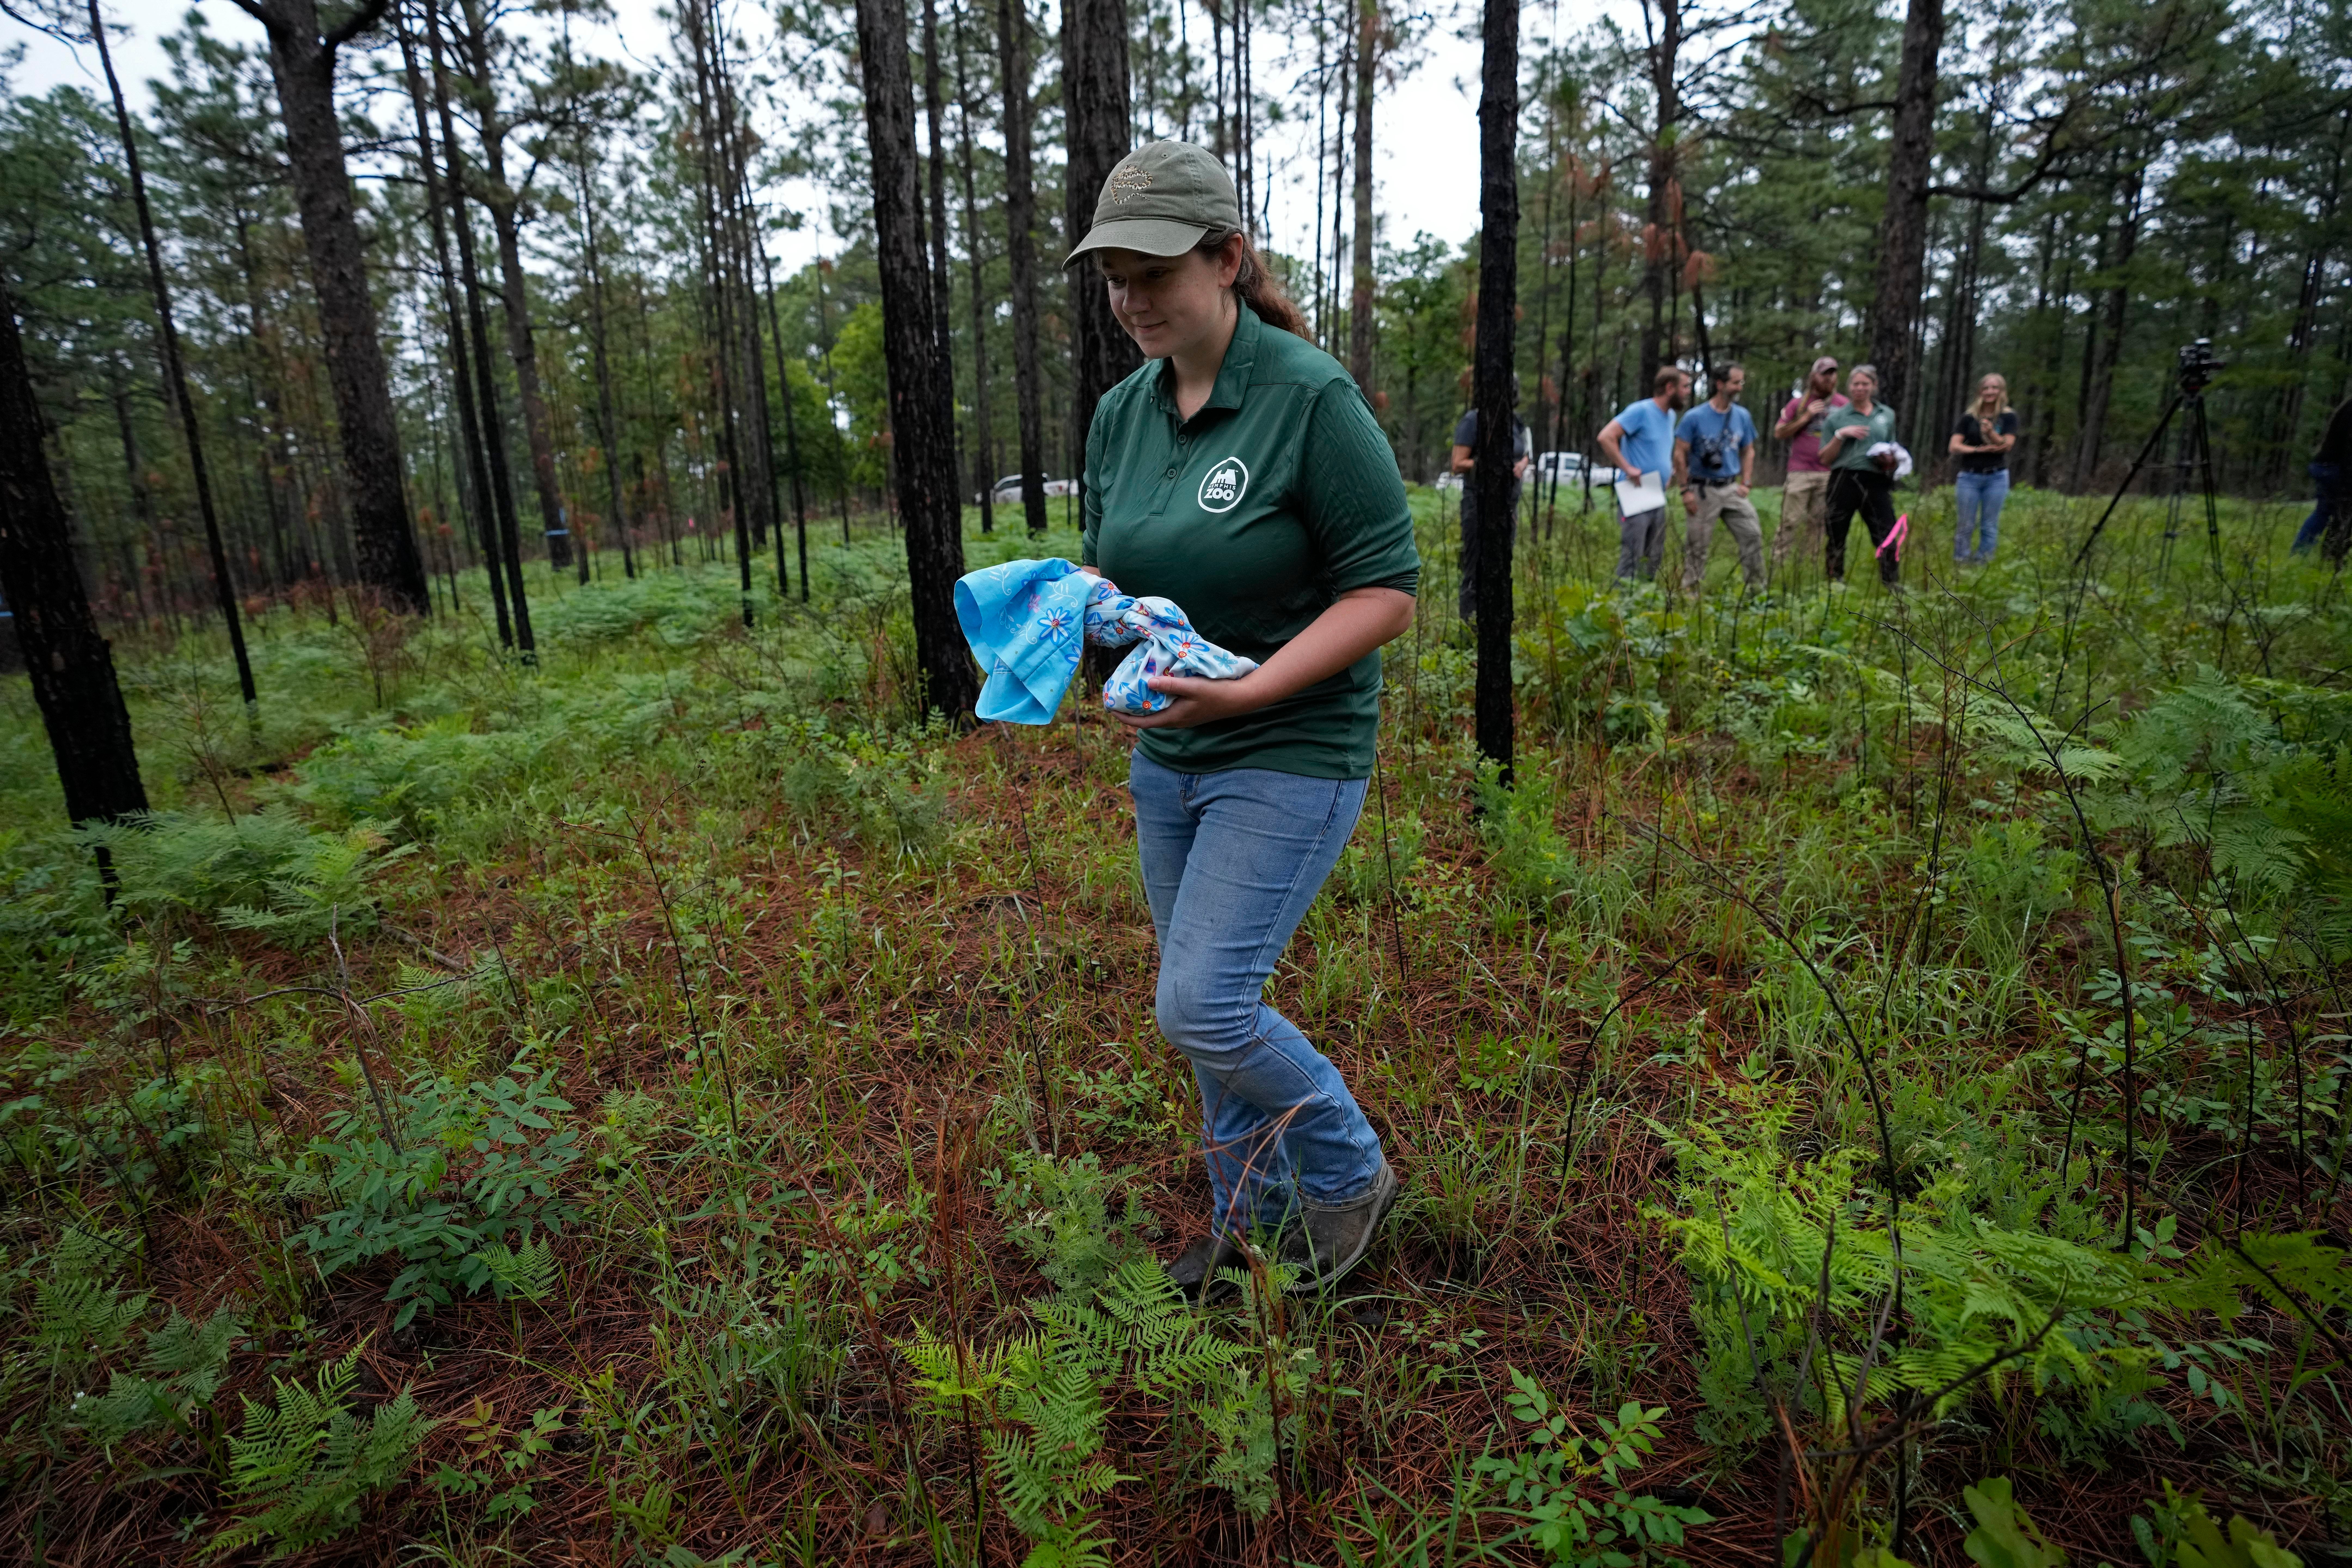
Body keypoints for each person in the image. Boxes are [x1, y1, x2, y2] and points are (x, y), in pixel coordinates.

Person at [1065, 140, 1417, 1298]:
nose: (1131, 300)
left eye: (1153, 273)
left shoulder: (1308, 401)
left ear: (1226, 258)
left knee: (1203, 1004)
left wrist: (1257, 686)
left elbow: (1384, 592)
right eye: (1114, 279)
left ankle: (1347, 1173)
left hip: (1290, 747)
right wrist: (1073, 610)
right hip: (1172, 751)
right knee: (1203, 1018)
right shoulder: (1121, 414)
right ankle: (1247, 1224)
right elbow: (1115, 568)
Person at [1674, 363, 1765, 592]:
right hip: (1702, 490)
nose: (1740, 388)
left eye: (1742, 383)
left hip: (1732, 488)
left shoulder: (1742, 416)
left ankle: (1757, 592)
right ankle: (1691, 595)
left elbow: (1749, 450)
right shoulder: (1695, 417)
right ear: (1720, 384)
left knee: (1753, 535)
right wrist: (1685, 491)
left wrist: (1746, 482)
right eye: (1736, 383)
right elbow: (1679, 454)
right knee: (1697, 546)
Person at [1597, 366, 1691, 581]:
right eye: (1685, 387)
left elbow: (1658, 448)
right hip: (1636, 489)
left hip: (1656, 490)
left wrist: (1667, 471)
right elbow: (1606, 437)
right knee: (1633, 553)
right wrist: (1628, 468)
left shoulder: (1670, 416)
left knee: (1654, 555)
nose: (1688, 392)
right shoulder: (1641, 411)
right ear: (1670, 388)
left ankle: (1646, 596)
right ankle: (1622, 598)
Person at [1448, 376, 1531, 619]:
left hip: (1509, 507)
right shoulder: (1473, 420)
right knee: (1476, 568)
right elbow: (1457, 463)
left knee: (1502, 567)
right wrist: (1493, 464)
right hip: (1479, 505)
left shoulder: (1516, 421)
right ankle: (1470, 625)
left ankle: (1496, 620)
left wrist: (1521, 465)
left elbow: (1525, 453)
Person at [1818, 364, 1903, 586]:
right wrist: (1841, 435)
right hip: (1844, 479)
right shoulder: (1837, 418)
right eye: (1856, 384)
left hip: (1876, 480)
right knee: (1836, 532)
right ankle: (1834, 582)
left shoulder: (1886, 415)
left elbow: (1892, 445)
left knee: (1887, 532)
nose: (1860, 388)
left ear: (1874, 386)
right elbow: (1825, 458)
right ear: (1849, 387)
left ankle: (1891, 583)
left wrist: (1891, 460)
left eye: (1865, 384)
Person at [1773, 356, 1848, 572]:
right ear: (1814, 376)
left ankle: (1808, 571)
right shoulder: (1799, 403)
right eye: (1825, 374)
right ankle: (1778, 568)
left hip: (1830, 474)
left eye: (1833, 374)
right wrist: (1806, 417)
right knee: (1790, 522)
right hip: (1800, 472)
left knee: (1818, 525)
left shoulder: (1844, 405)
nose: (1829, 378)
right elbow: (1779, 433)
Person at [1950, 373, 2018, 564]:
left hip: (1997, 477)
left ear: (2002, 391)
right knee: (1965, 524)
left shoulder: (2008, 417)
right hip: (1969, 477)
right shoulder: (1969, 418)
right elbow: (1954, 446)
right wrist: (1978, 450)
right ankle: (1961, 561)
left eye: (1995, 388)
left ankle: (1984, 562)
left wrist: (1991, 433)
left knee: (1989, 524)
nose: (1990, 392)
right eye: (1986, 388)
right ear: (1980, 391)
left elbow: (2007, 446)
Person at [2292, 394, 2352, 554]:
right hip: (2332, 469)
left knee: (2326, 513)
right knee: (2342, 514)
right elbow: (2348, 452)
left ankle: (2301, 554)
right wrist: (2348, 484)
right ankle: (2330, 555)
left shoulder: (2348, 406)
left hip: (2326, 466)